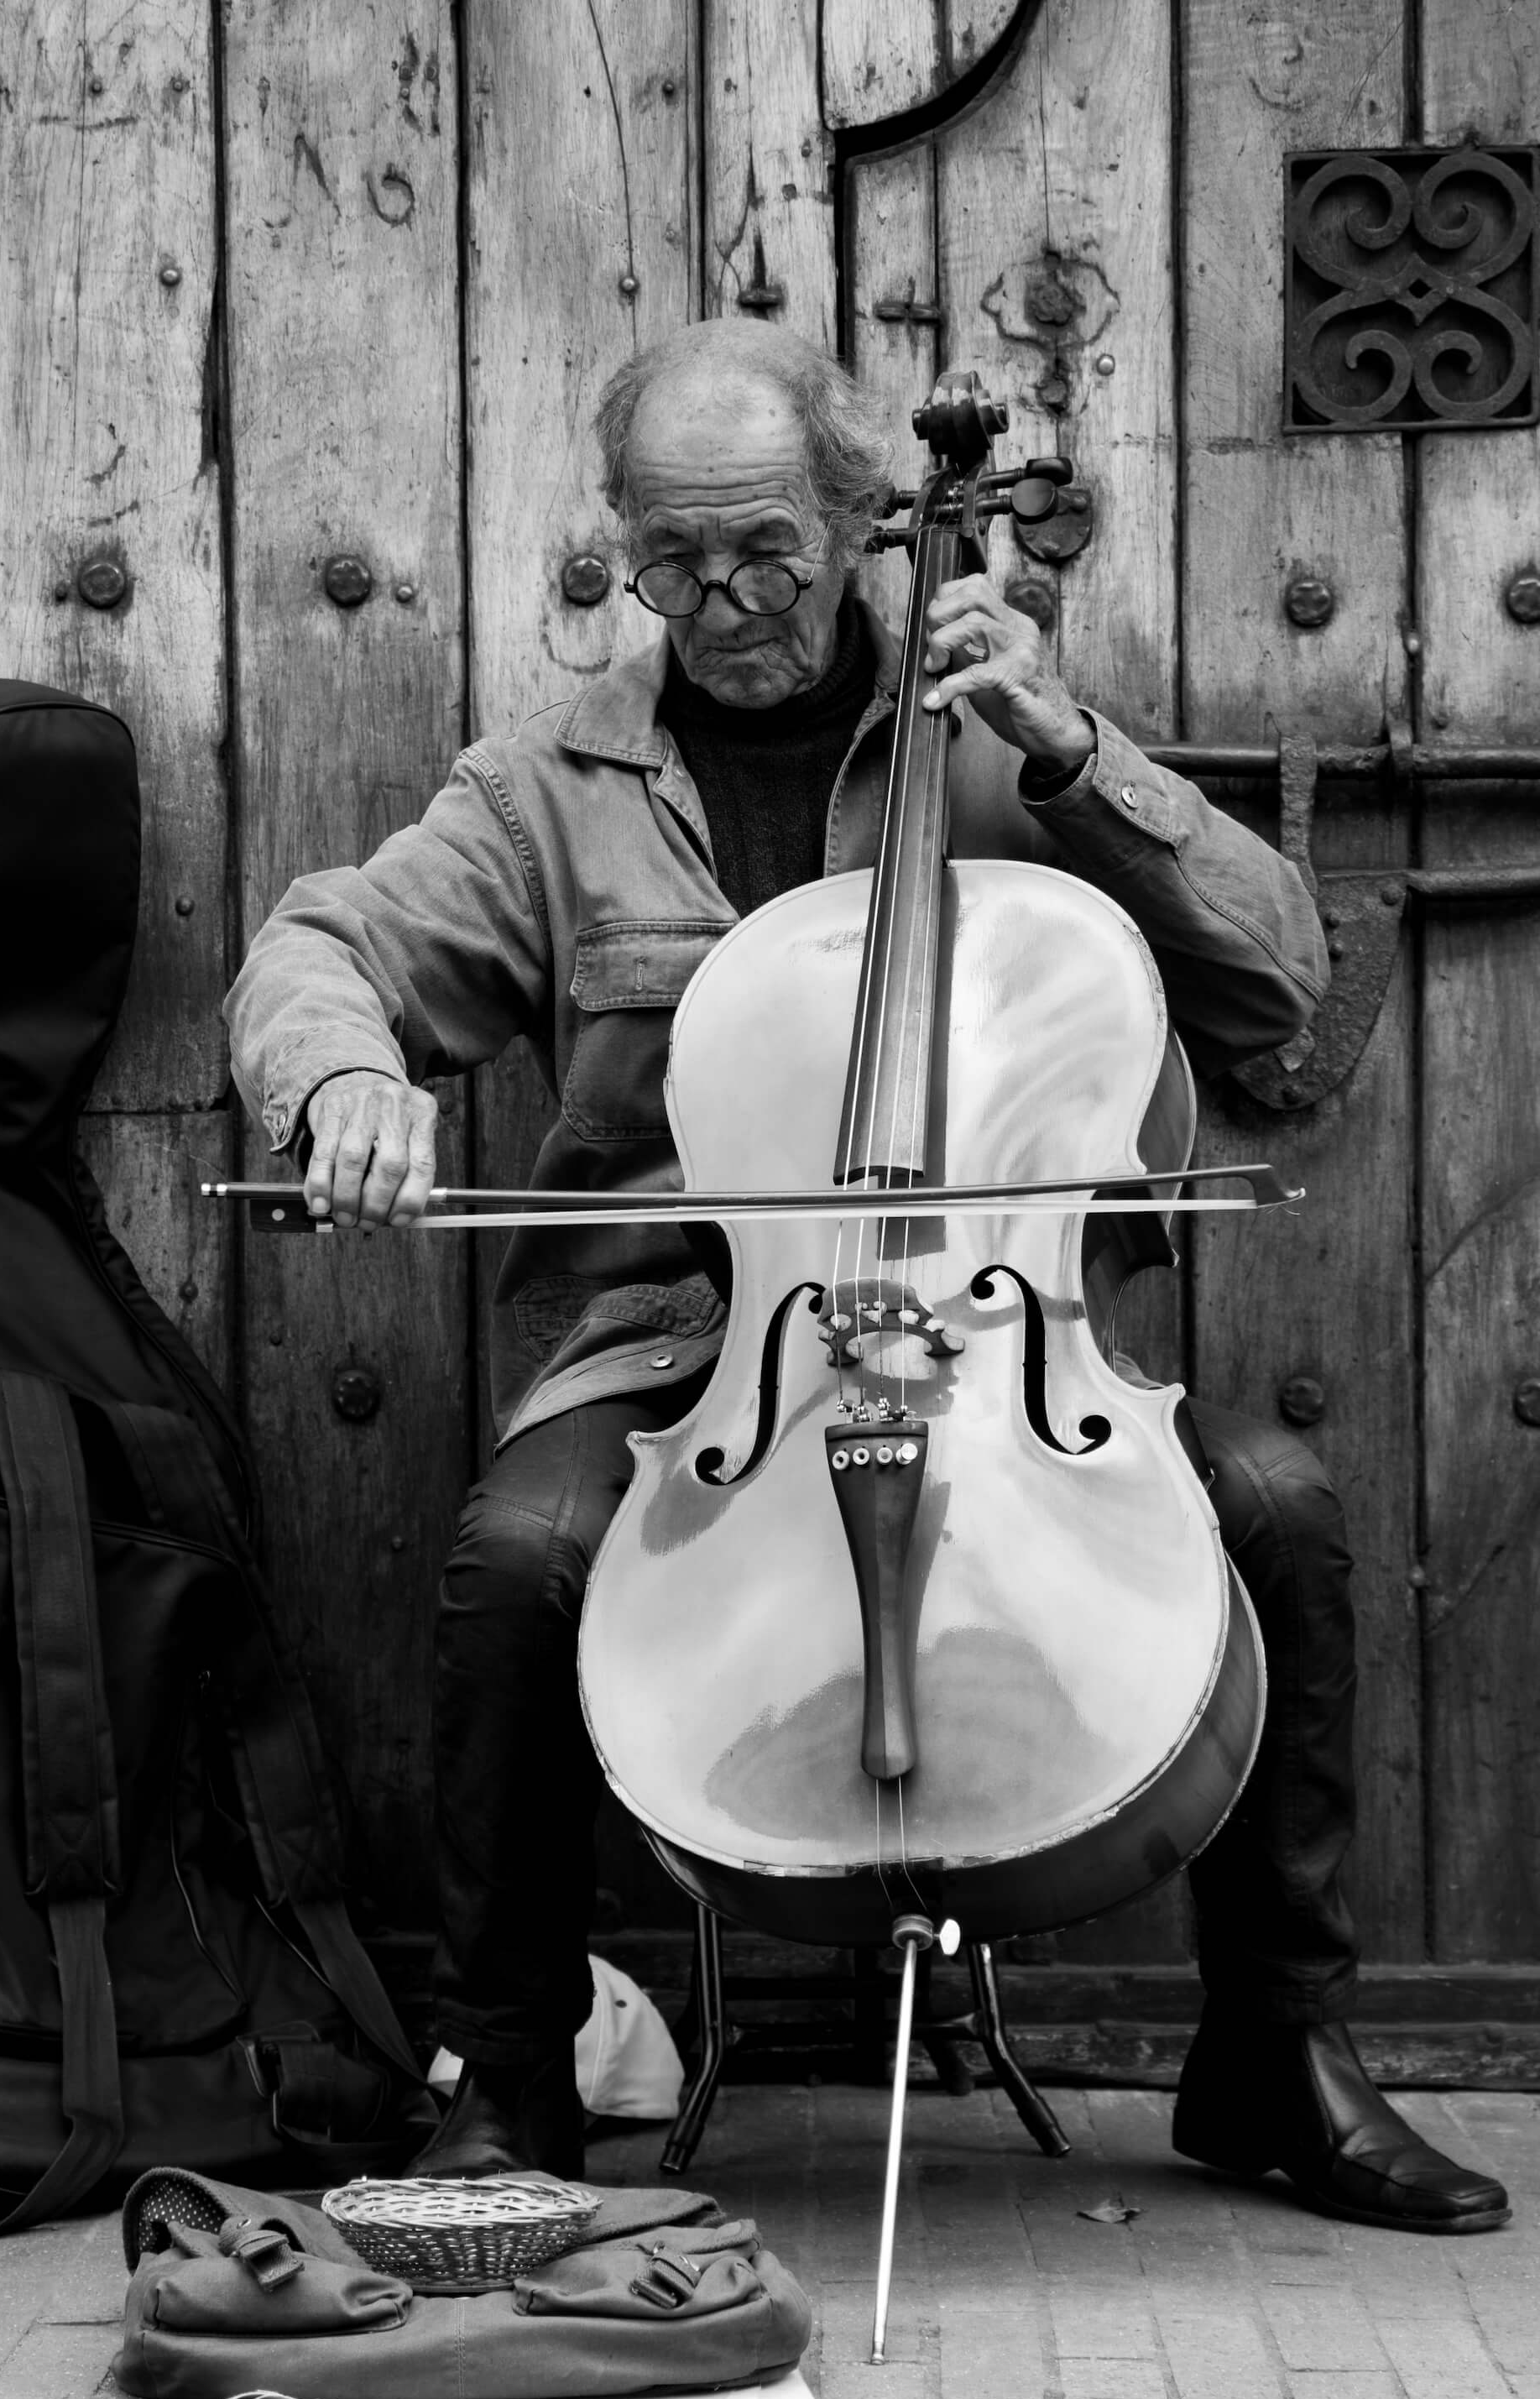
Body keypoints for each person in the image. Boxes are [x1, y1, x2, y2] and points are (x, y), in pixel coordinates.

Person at [226, 321, 1506, 2235]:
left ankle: (1272, 2052)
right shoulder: (555, 784)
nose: (722, 602)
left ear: (853, 519)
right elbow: (322, 945)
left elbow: (1273, 994)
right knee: (516, 1556)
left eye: (762, 548)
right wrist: (338, 1083)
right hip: (696, 1344)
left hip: (1007, 1338)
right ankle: (500, 2080)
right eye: (671, 561)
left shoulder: (993, 715)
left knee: (1279, 1507)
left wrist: (1078, 757)